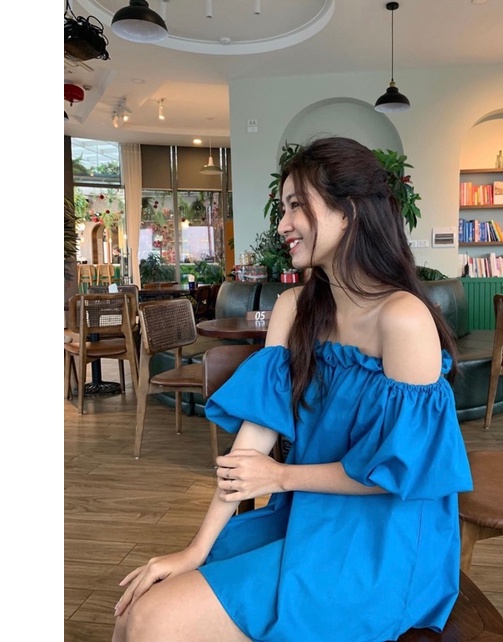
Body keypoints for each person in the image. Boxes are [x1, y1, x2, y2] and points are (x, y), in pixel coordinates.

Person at [112, 136, 473, 642]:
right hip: (306, 514)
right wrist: (195, 548)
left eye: (297, 205)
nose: (282, 224)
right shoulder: (293, 308)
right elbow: (252, 445)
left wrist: (280, 477)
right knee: (135, 609)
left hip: (384, 538)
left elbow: (398, 471)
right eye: (283, 208)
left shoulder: (403, 319)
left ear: (348, 212)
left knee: (155, 619)